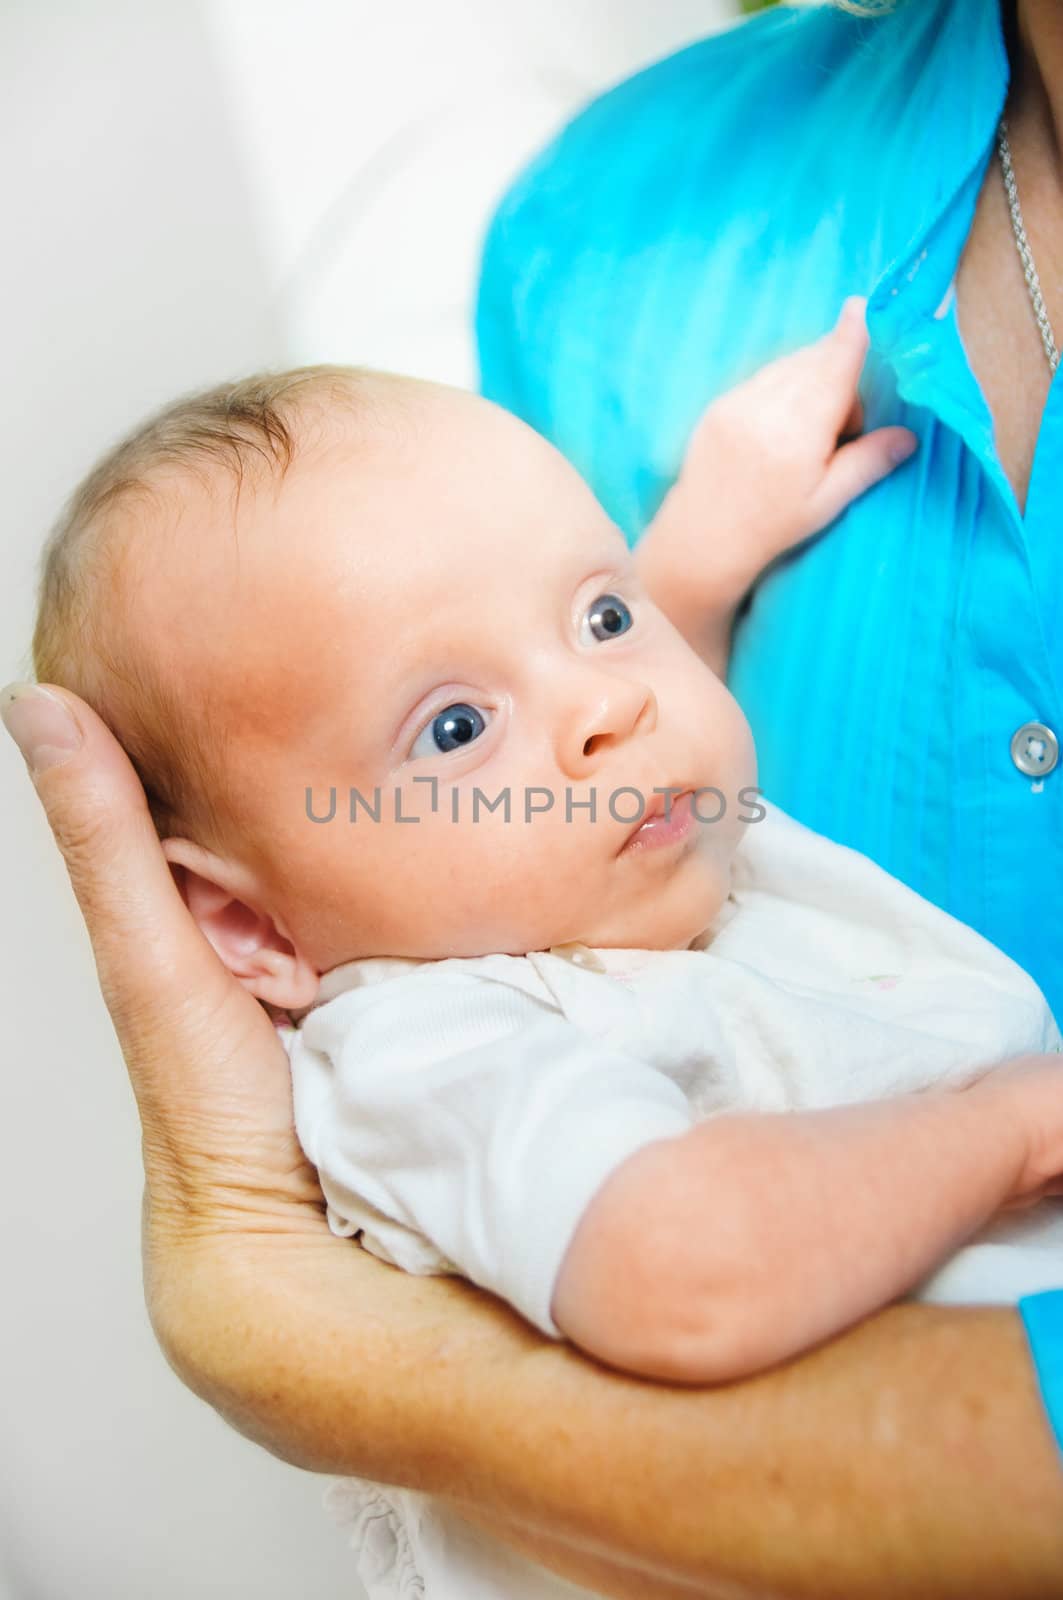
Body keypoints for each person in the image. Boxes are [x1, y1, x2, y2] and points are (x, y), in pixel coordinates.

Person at [3, 0, 1062, 1594]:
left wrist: (691, 556)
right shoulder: (439, 1052)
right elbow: (691, 1275)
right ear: (249, 927)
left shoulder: (582, 874)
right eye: (448, 731)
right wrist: (1017, 1128)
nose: (609, 710)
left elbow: (613, 755)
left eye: (598, 616)